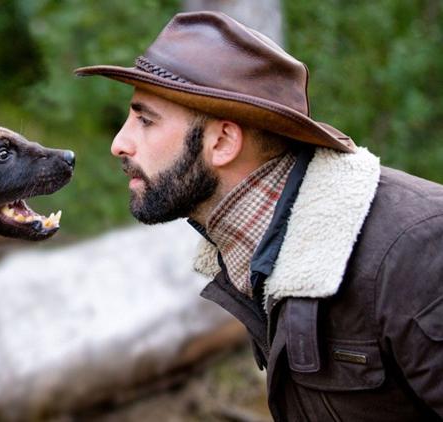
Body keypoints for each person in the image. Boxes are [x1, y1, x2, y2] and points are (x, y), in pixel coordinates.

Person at [75, 11, 443, 421]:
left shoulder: (419, 248)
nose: (119, 143)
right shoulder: (261, 251)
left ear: (224, 142)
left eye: (145, 120)